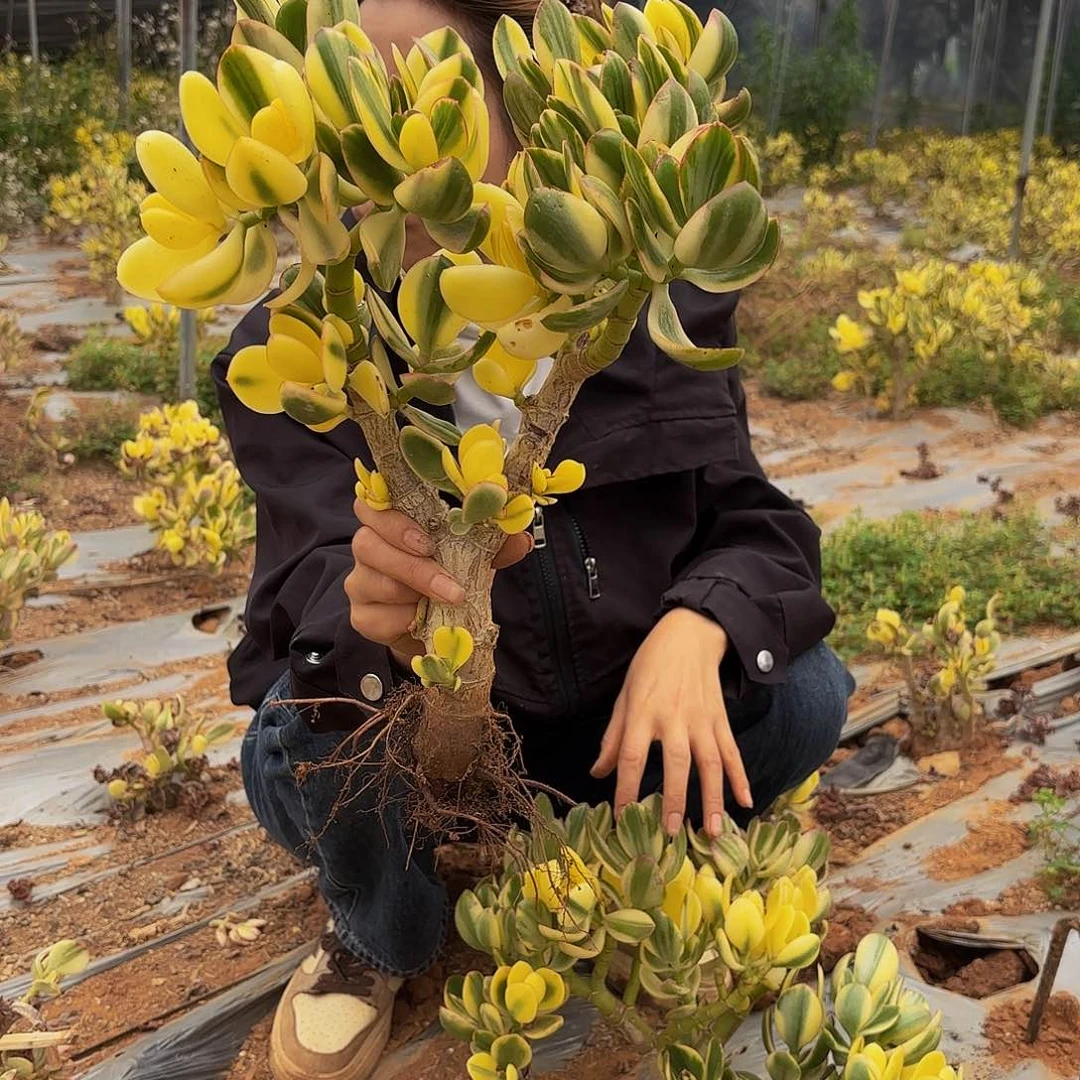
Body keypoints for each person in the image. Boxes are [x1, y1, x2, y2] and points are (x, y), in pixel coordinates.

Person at [213, 1, 854, 1077]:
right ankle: (377, 934)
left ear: (520, 114)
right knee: (313, 726)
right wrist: (367, 616)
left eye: (436, 101)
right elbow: (301, 594)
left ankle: (634, 856)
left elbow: (760, 525)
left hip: (603, 728)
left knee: (805, 689)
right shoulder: (292, 354)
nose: (393, 155)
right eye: (351, 116)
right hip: (420, 741)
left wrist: (698, 627)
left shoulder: (645, 309)